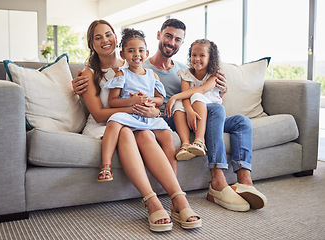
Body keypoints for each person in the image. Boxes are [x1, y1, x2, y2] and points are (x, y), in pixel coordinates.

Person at [73, 19, 267, 212]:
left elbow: (189, 93)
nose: (172, 42)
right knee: (206, 113)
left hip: (182, 112)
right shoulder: (138, 64)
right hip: (157, 117)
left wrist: (220, 91)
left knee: (238, 120)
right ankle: (213, 181)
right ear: (158, 35)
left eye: (177, 39)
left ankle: (244, 182)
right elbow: (114, 99)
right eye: (168, 36)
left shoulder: (180, 69)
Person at [77, 19, 202, 232]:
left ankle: (178, 199)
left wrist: (152, 111)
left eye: (108, 34)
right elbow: (98, 115)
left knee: (145, 135)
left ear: (116, 39)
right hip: (106, 123)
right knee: (126, 131)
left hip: (137, 119)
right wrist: (134, 108)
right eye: (98, 37)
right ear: (91, 43)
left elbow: (156, 100)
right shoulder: (89, 73)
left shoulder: (133, 65)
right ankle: (151, 201)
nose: (104, 40)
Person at [99, 28, 174, 182]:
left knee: (168, 135)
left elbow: (160, 99)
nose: (136, 55)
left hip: (149, 115)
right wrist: (132, 101)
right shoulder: (122, 74)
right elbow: (113, 101)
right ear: (123, 54)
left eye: (141, 50)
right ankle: (106, 165)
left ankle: (172, 177)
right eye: (131, 51)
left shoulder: (151, 75)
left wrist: (150, 100)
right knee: (113, 122)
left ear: (147, 53)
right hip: (129, 115)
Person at [164, 39, 221, 161]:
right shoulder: (186, 74)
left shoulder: (214, 75)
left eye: (202, 55)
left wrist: (174, 97)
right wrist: (189, 110)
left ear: (210, 58)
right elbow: (185, 95)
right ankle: (185, 145)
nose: (197, 58)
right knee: (179, 103)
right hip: (192, 106)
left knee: (195, 96)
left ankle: (199, 141)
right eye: (194, 55)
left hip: (211, 107)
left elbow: (201, 90)